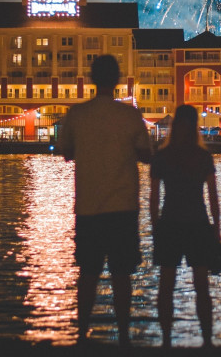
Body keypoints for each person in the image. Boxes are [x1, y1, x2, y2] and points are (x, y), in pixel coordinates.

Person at [59, 54, 152, 348]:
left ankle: (82, 336)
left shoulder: (77, 115)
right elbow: (147, 154)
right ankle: (124, 337)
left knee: (88, 273)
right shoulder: (130, 116)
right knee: (122, 274)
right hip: (123, 207)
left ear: (90, 79)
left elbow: (65, 152)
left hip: (88, 207)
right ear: (117, 80)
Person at [150, 104, 221, 349]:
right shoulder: (202, 157)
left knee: (166, 286)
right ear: (195, 126)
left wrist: (155, 226)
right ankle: (207, 340)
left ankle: (167, 340)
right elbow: (212, 196)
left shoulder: (162, 155)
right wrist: (217, 228)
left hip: (169, 222)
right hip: (197, 223)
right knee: (202, 286)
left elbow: (153, 197)